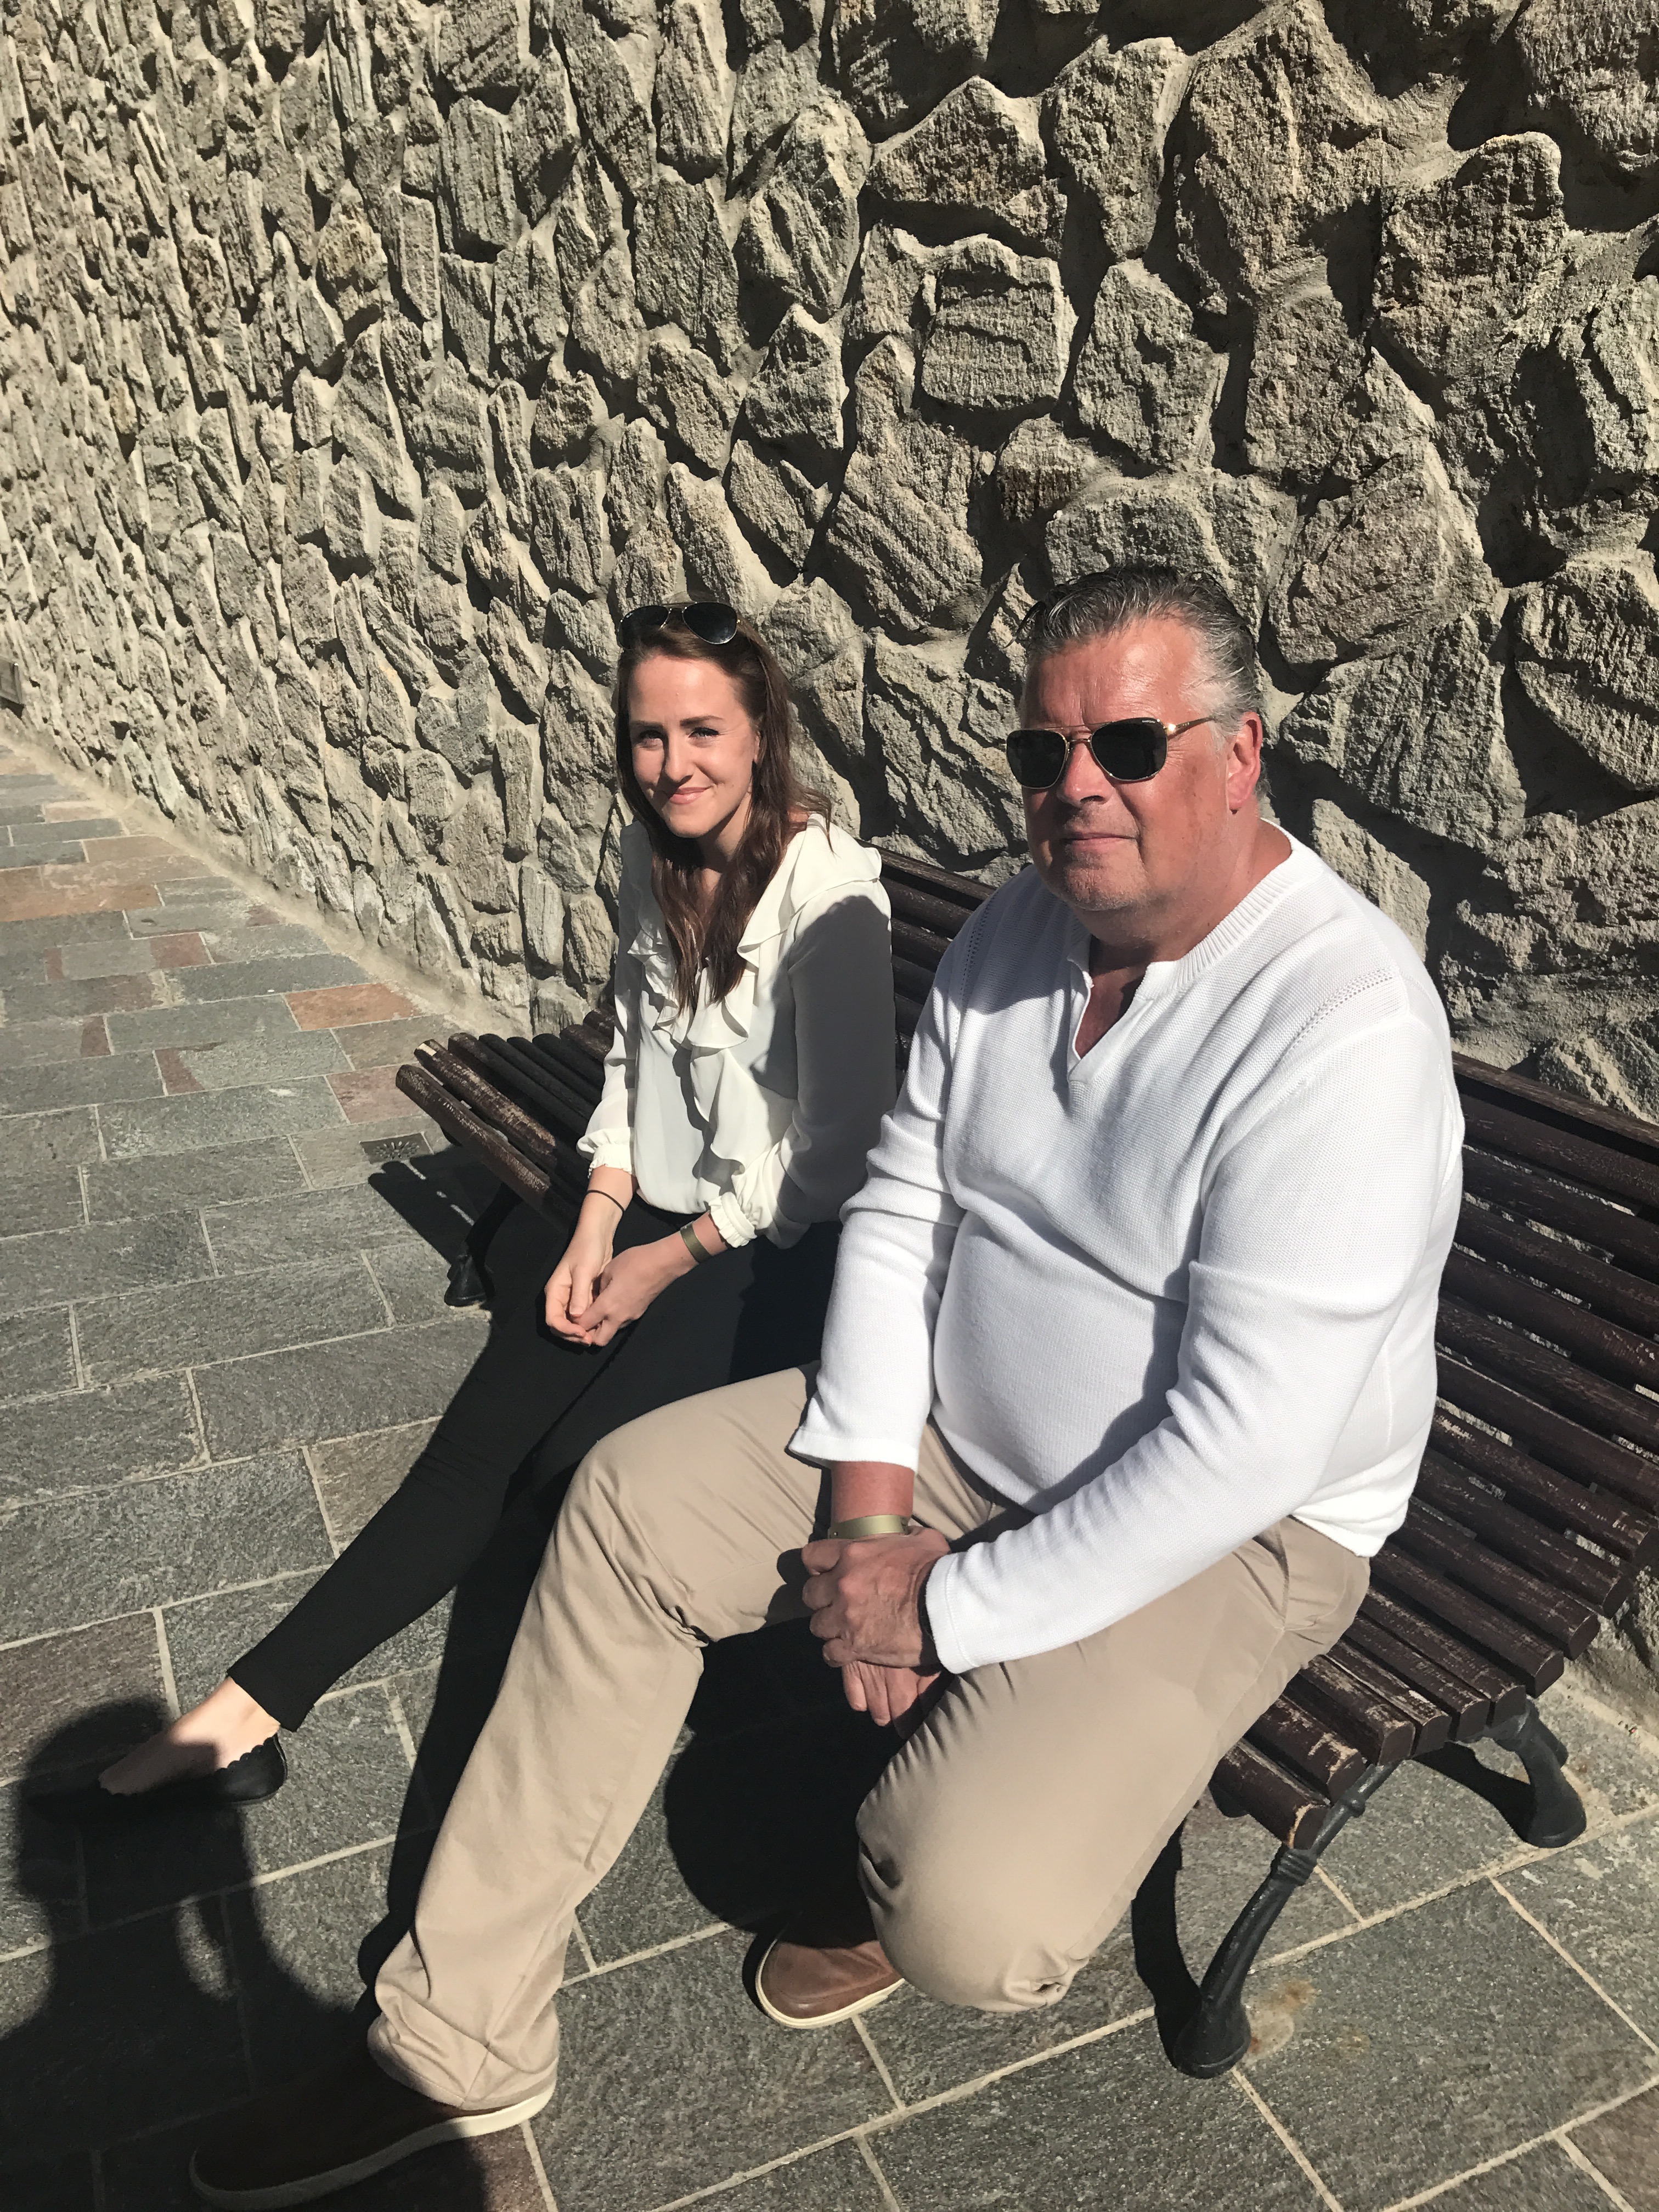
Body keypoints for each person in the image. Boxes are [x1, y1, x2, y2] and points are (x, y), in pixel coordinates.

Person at [187, 567, 1463, 2206]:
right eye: (1044, 751)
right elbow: (904, 1212)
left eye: (1131, 745)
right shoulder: (1019, 932)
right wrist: (866, 1516)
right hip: (956, 1434)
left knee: (973, 1917)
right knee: (628, 1505)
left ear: (1240, 757)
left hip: (1234, 1530)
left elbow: (1245, 1441)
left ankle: (901, 1873)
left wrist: (939, 1610)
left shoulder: (1341, 1025)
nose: (1078, 786)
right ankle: (452, 2044)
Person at [41, 601, 896, 1826]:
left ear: (763, 732)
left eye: (704, 731)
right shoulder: (651, 860)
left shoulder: (830, 896)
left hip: (767, 1256)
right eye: (648, 735)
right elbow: (633, 1063)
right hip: (645, 1217)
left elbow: (839, 1149)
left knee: (562, 1481)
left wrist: (668, 1258)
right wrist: (598, 1216)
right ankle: (241, 1719)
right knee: (472, 1453)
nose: (674, 764)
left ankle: (494, 1820)